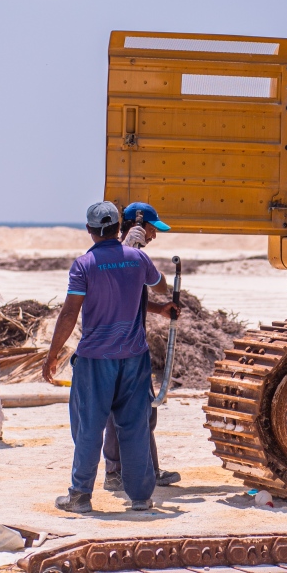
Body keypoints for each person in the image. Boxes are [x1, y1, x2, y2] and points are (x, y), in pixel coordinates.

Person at [42, 201, 177, 514]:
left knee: (89, 429)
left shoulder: (84, 265)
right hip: (134, 359)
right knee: (135, 427)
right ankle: (141, 497)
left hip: (95, 360)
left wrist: (52, 355)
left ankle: (79, 497)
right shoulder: (138, 258)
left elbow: (70, 311)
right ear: (119, 228)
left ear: (90, 231)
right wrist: (136, 252)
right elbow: (158, 286)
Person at [102, 202, 180, 492]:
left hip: (122, 348)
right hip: (123, 349)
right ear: (137, 224)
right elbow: (158, 284)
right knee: (131, 412)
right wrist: (130, 254)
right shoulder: (117, 257)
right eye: (151, 229)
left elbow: (132, 296)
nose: (154, 236)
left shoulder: (123, 257)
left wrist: (158, 310)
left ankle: (134, 470)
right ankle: (128, 472)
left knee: (134, 412)